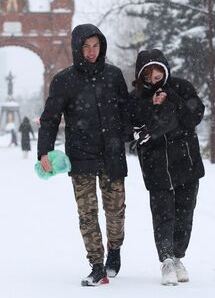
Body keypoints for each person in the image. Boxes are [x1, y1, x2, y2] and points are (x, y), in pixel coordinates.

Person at [38, 24, 131, 286]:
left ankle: (114, 250)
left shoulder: (113, 75)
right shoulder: (64, 80)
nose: (91, 52)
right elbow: (50, 119)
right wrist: (44, 151)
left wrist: (127, 135)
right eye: (86, 47)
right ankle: (97, 265)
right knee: (87, 214)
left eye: (96, 46)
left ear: (101, 47)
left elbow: (125, 109)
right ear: (78, 48)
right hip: (81, 156)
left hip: (112, 154)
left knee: (116, 211)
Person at [128, 49, 205, 286]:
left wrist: (171, 99)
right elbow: (131, 124)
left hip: (186, 161)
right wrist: (151, 104)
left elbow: (194, 116)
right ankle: (166, 260)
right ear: (141, 74)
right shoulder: (136, 97)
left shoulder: (182, 87)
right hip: (156, 165)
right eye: (148, 72)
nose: (154, 76)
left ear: (165, 69)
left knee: (185, 213)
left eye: (158, 70)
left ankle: (178, 256)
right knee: (163, 215)